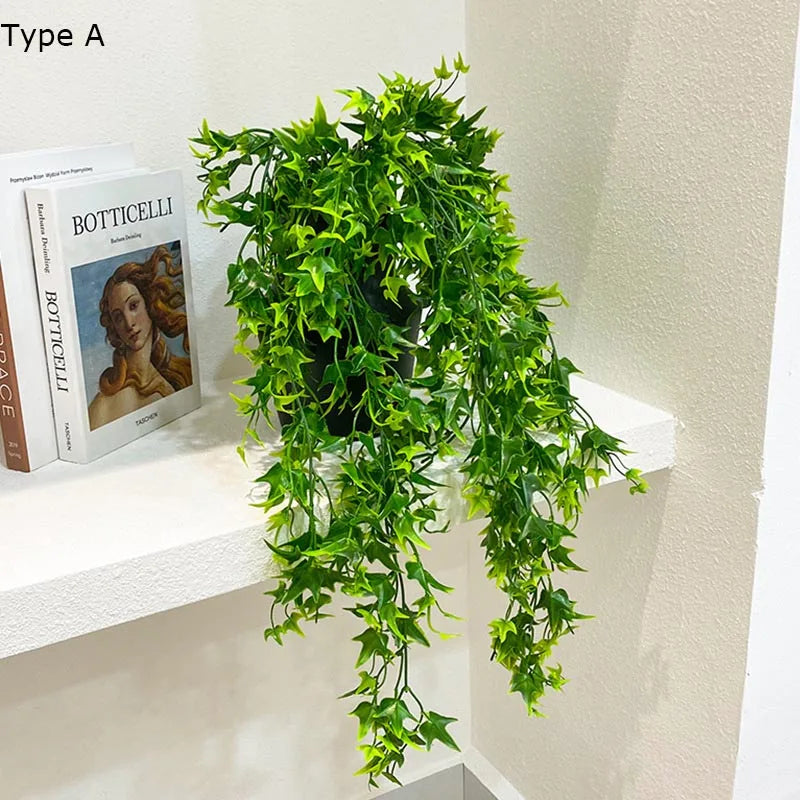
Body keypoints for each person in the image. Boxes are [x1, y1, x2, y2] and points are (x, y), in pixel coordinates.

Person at [87, 244, 192, 430]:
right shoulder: (103, 406)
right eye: (118, 317)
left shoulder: (173, 380)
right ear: (114, 328)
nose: (129, 323)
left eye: (133, 306)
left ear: (149, 304)